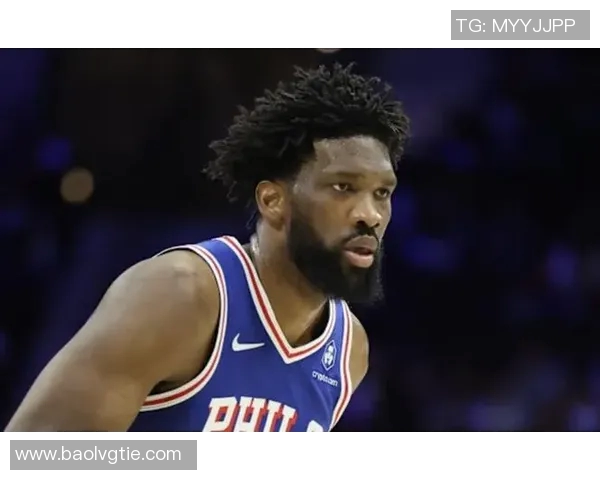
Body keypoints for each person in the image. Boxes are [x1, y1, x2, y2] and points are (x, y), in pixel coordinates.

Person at [5, 63, 410, 432]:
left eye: (382, 193)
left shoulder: (348, 350)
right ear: (273, 200)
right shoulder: (180, 295)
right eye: (344, 187)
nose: (370, 215)